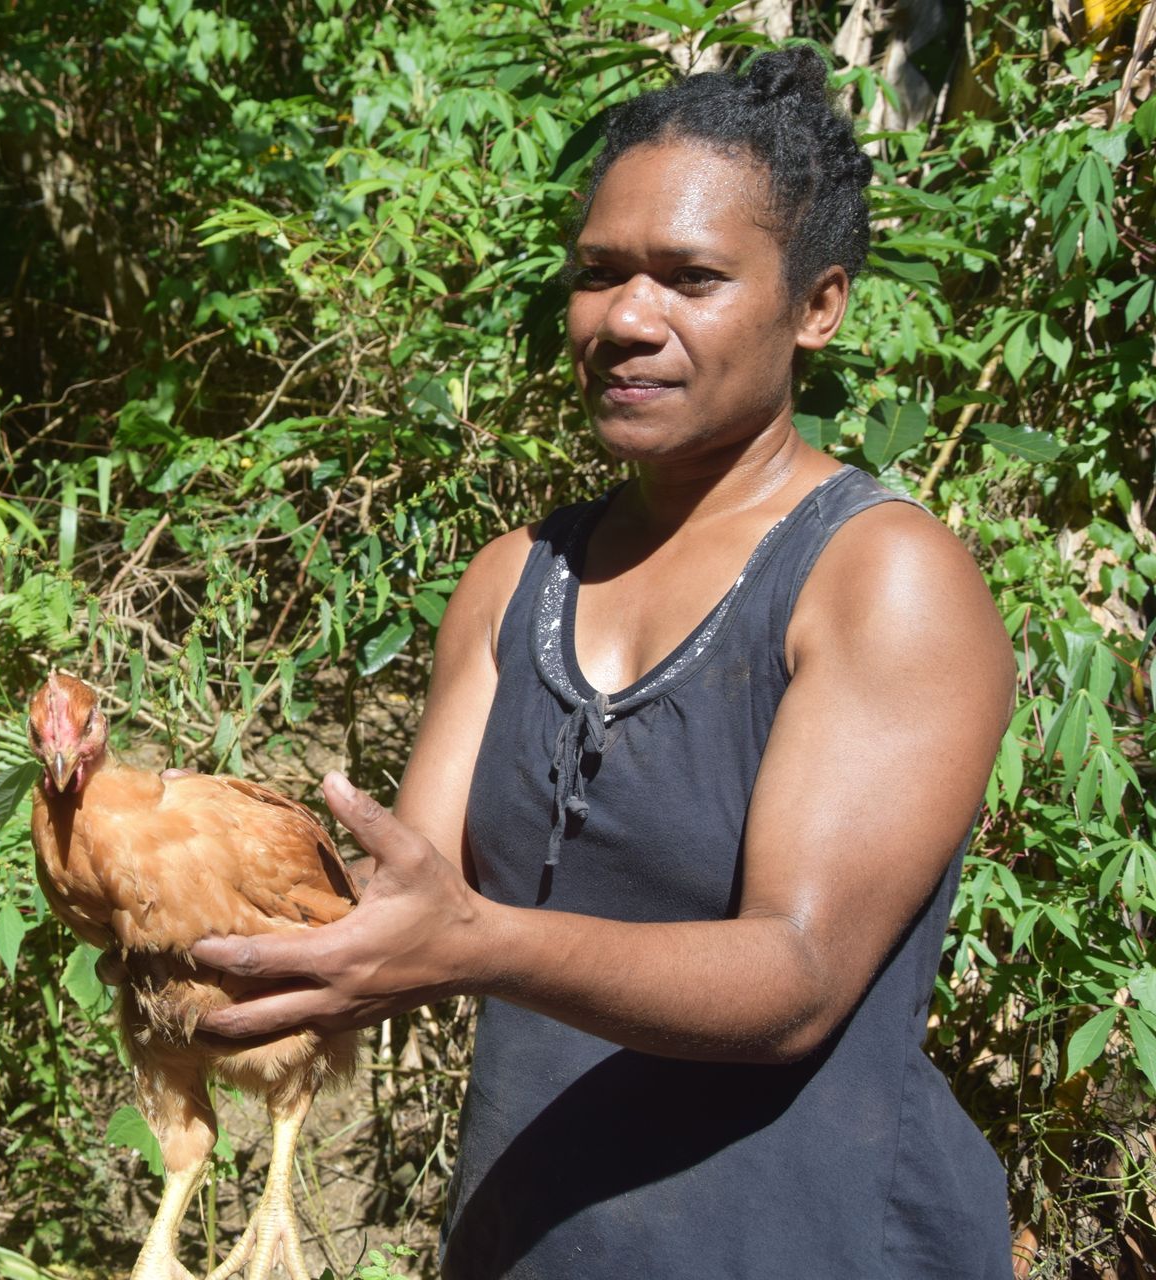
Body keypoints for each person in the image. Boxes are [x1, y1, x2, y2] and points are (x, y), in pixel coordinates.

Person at [188, 46, 1016, 1278]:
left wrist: (484, 943)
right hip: (536, 1243)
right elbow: (405, 919)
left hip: (810, 1243)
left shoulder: (878, 579)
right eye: (598, 274)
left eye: (691, 277)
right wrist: (180, 898)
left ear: (819, 304)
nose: (627, 319)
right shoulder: (515, 578)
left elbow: (795, 977)